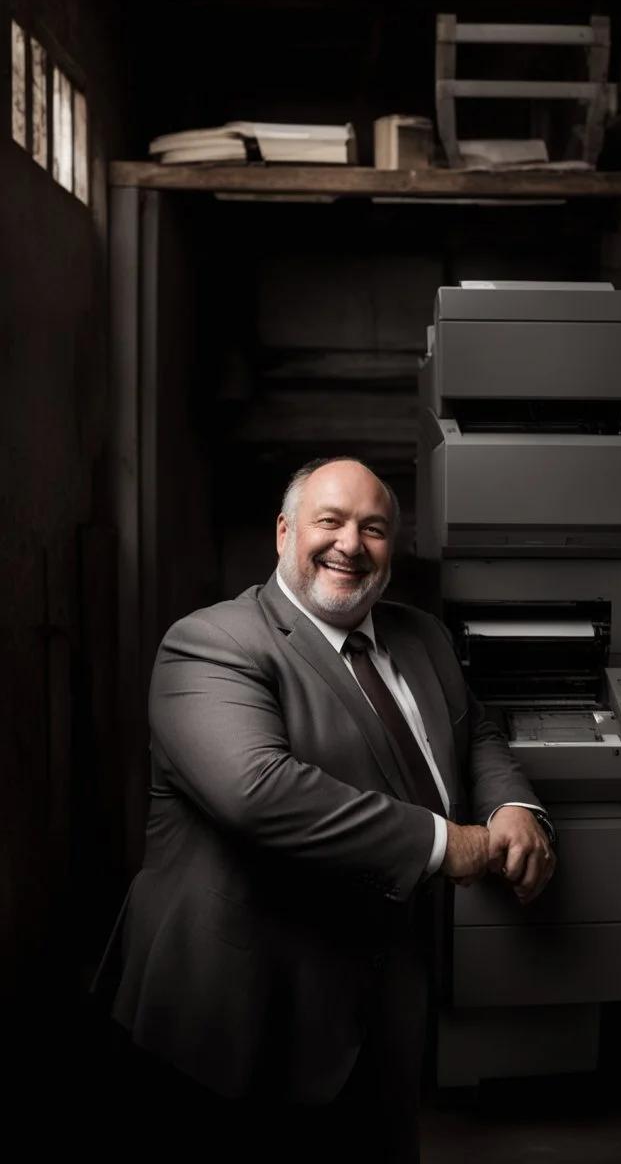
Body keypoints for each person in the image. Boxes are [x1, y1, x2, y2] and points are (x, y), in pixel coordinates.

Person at [95, 456, 555, 1161]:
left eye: (373, 529)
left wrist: (514, 805)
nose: (350, 543)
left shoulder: (422, 637)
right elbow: (259, 791)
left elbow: (477, 732)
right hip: (236, 1007)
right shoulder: (212, 643)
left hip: (382, 994)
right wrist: (446, 843)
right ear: (284, 532)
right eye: (330, 521)